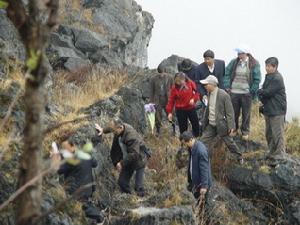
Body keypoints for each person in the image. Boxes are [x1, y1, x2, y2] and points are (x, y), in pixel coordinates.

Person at [51, 139, 103, 223]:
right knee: (84, 207)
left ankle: (99, 217)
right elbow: (95, 163)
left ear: (72, 147)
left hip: (76, 191)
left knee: (81, 208)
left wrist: (54, 157)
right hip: (88, 189)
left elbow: (57, 170)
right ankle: (97, 218)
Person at [95, 118, 147, 197]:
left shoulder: (131, 136)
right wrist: (103, 130)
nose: (114, 133)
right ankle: (130, 197)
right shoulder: (119, 127)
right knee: (122, 183)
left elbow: (134, 154)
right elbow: (111, 128)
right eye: (113, 131)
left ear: (120, 128)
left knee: (139, 187)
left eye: (115, 131)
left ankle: (142, 203)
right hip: (128, 157)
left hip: (139, 157)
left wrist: (121, 163)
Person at [200, 75, 242, 161]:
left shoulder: (224, 95)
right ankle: (204, 158)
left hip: (221, 125)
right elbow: (208, 109)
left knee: (229, 143)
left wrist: (231, 127)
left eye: (206, 84)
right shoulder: (209, 93)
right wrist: (203, 122)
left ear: (212, 84)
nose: (204, 86)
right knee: (202, 142)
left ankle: (239, 157)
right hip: (211, 125)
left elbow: (230, 112)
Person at [224, 44, 261, 140]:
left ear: (247, 53)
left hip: (246, 93)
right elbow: (227, 73)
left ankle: (245, 131)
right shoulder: (234, 62)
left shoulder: (254, 64)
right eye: (238, 53)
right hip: (234, 92)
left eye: (241, 53)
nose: (239, 55)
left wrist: (251, 91)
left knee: (246, 113)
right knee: (233, 113)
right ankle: (234, 129)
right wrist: (227, 86)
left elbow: (257, 79)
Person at [258, 57, 287, 160]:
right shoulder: (269, 76)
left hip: (277, 110)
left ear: (275, 67)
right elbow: (264, 93)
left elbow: (268, 92)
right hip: (269, 109)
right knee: (269, 133)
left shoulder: (277, 78)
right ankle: (271, 151)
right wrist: (263, 104)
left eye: (269, 66)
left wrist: (259, 91)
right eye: (266, 66)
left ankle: (280, 154)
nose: (267, 68)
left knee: (277, 133)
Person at [180, 131, 212, 200]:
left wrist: (204, 186)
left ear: (190, 140)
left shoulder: (201, 151)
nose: (185, 146)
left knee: (203, 204)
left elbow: (204, 169)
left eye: (185, 143)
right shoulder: (192, 147)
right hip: (195, 182)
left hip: (201, 184)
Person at [166, 72, 200, 137]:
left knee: (195, 124)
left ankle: (197, 138)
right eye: (176, 81)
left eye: (180, 80)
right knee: (183, 127)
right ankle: (184, 141)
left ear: (184, 79)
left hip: (191, 108)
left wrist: (193, 99)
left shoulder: (190, 83)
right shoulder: (174, 89)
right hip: (180, 110)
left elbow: (196, 93)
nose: (178, 82)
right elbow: (171, 101)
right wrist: (169, 112)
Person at [149, 64, 174, 136]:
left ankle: (174, 130)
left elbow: (173, 89)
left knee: (171, 114)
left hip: (168, 99)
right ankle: (158, 130)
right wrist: (151, 102)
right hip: (158, 100)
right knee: (157, 115)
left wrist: (173, 100)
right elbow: (151, 91)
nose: (161, 75)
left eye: (162, 73)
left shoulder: (170, 78)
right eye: (160, 73)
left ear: (165, 72)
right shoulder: (153, 79)